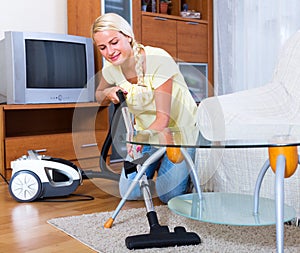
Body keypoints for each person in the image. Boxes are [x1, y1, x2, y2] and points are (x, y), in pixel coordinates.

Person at [91, 13, 198, 203]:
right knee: (129, 192)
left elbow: (163, 120)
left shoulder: (157, 59)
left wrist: (136, 142)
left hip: (177, 132)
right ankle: (157, 164)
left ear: (128, 36)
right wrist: (108, 92)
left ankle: (180, 170)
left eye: (114, 42)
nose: (109, 51)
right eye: (103, 47)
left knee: (169, 196)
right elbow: (97, 94)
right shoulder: (111, 67)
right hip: (147, 134)